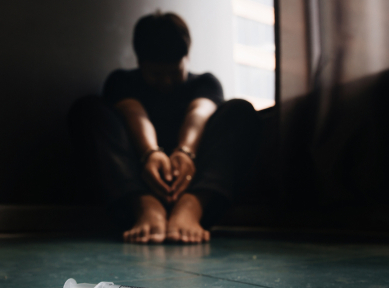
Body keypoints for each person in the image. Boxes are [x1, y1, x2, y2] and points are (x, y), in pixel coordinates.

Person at [68, 12, 262, 244]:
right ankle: (146, 206)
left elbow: (198, 113)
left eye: (174, 72)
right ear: (140, 63)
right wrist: (151, 153)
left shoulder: (205, 82)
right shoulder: (122, 81)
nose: (167, 82)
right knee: (89, 108)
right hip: (132, 190)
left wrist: (185, 151)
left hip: (197, 186)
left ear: (186, 58)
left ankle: (191, 207)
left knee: (239, 109)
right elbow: (135, 114)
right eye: (157, 74)